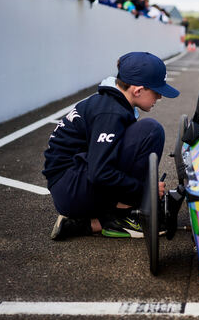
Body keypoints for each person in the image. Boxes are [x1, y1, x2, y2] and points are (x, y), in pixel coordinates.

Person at [44, 52, 180, 240]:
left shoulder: (112, 102)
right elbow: (100, 173)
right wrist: (145, 190)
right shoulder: (110, 112)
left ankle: (89, 224)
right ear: (138, 90)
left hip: (70, 185)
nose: (160, 97)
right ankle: (123, 215)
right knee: (151, 131)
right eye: (157, 92)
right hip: (72, 188)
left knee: (141, 132)